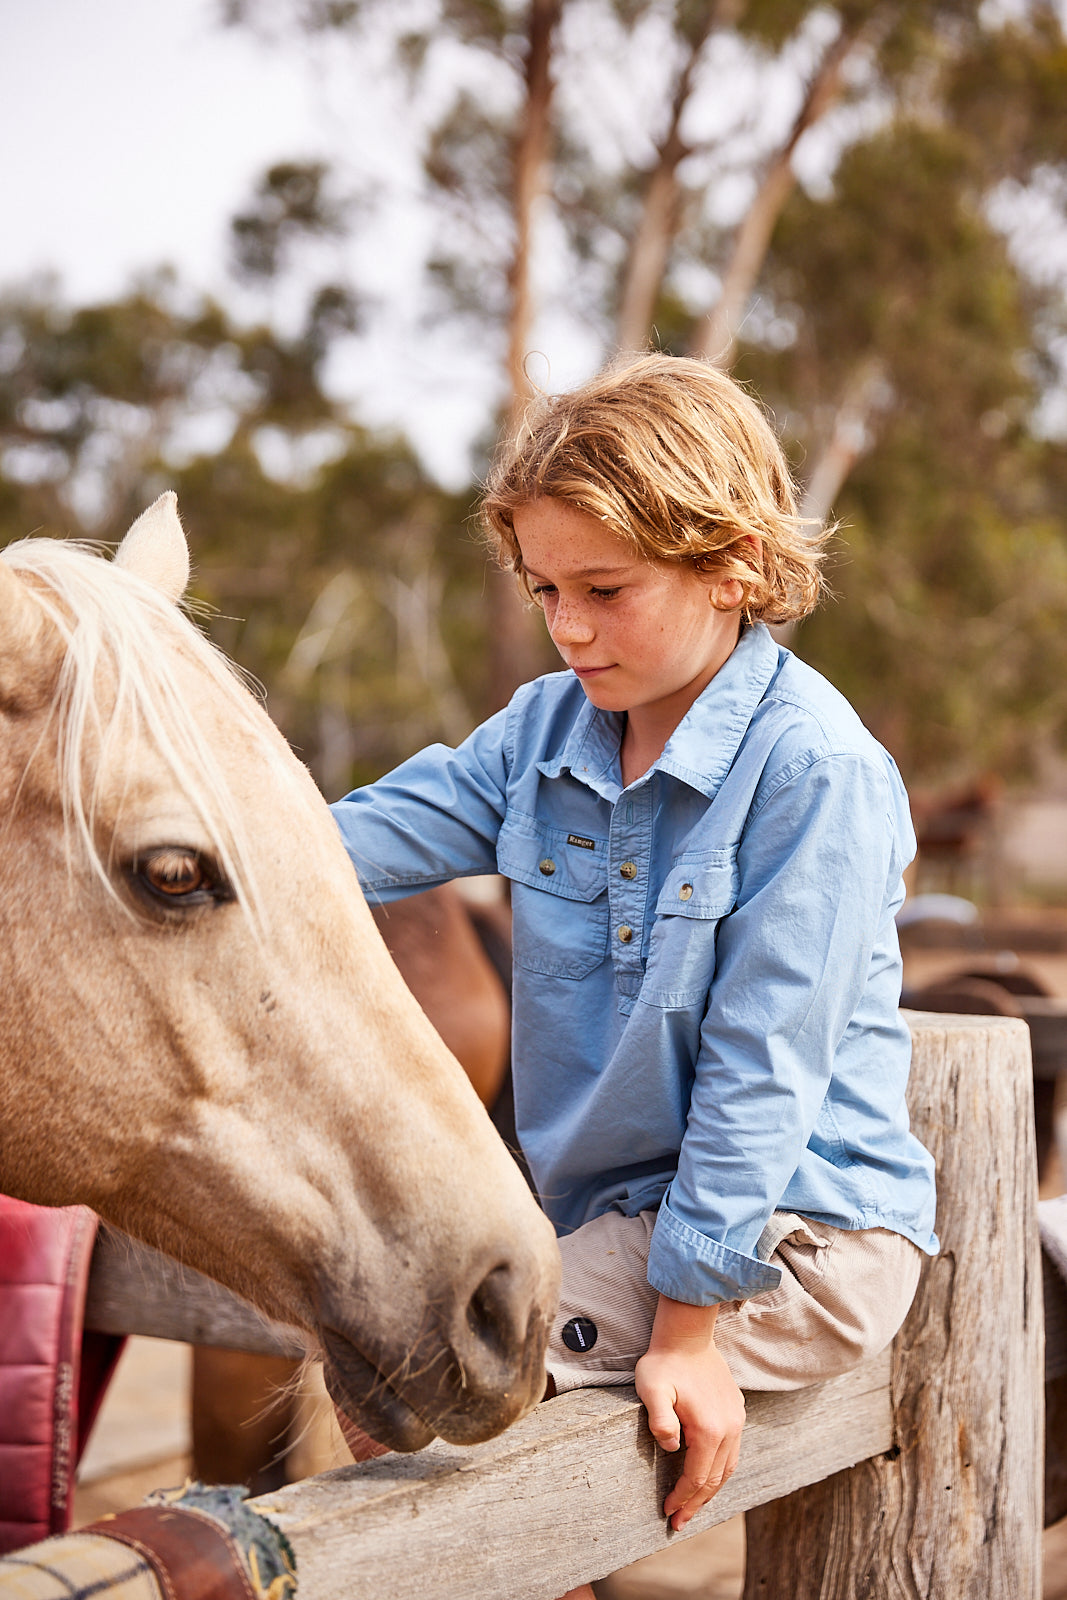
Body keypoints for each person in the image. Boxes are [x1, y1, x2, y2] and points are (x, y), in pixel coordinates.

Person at [330, 354, 937, 1583]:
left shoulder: (813, 771)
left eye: (605, 587)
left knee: (416, 1368)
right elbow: (337, 845)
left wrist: (687, 1333)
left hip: (789, 1235)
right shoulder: (540, 734)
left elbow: (760, 1067)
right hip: (601, 1224)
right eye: (545, 586)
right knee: (370, 1344)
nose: (566, 625)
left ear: (731, 564)